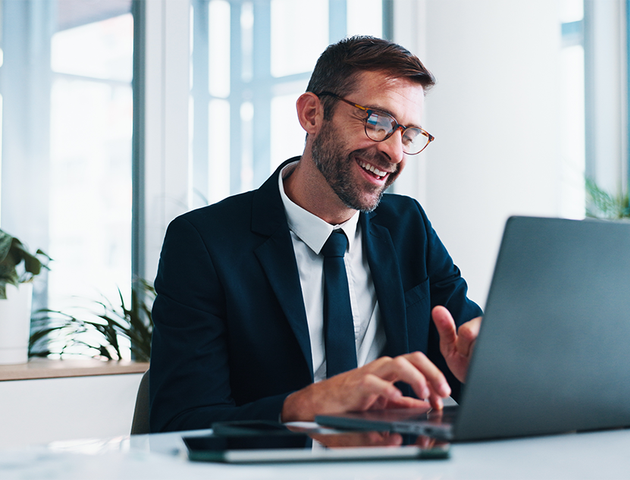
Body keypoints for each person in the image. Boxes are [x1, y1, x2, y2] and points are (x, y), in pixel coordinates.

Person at [149, 35, 483, 433]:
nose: (395, 153)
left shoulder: (408, 225)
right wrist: (306, 403)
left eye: (408, 134)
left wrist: (480, 368)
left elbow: (463, 349)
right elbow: (179, 422)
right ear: (312, 114)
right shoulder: (204, 243)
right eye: (378, 122)